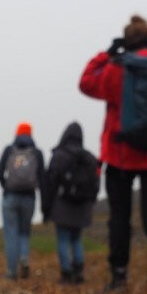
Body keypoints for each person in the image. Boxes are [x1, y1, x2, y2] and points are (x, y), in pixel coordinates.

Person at [79, 14, 147, 294]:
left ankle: (119, 277)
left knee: (120, 218)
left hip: (121, 153)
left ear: (126, 40)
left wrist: (106, 54)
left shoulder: (117, 68)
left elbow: (87, 83)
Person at [42, 122, 99, 284]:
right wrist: (91, 201)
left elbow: (50, 182)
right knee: (76, 238)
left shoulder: (59, 155)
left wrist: (46, 208)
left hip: (62, 205)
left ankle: (66, 273)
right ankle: (78, 270)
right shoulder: (90, 157)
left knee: (63, 239)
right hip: (83, 207)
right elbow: (96, 183)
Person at [0, 123, 45, 280]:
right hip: (29, 198)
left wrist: (6, 187)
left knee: (11, 234)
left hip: (10, 197)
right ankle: (24, 256)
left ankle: (11, 271)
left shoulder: (9, 150)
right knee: (24, 232)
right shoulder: (36, 153)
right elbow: (43, 177)